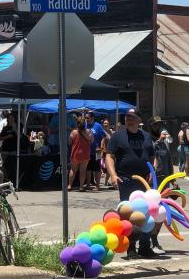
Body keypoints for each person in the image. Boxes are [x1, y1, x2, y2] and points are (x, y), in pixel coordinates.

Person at [104, 109, 158, 259]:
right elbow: (109, 156)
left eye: (132, 117)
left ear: (139, 119)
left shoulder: (147, 137)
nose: (129, 120)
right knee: (128, 215)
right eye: (127, 117)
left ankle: (145, 247)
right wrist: (113, 175)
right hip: (125, 181)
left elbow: (153, 157)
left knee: (146, 214)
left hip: (144, 182)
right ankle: (131, 248)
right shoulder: (118, 136)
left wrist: (151, 172)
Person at [67, 114, 93, 191]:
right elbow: (92, 141)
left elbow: (69, 142)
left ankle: (69, 185)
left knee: (73, 170)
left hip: (75, 153)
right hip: (85, 153)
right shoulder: (88, 131)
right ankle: (81, 186)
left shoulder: (73, 132)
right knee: (83, 171)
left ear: (77, 123)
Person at [84, 112, 105, 190]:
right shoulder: (85, 125)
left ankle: (98, 185)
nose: (86, 120)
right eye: (85, 118)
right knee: (88, 168)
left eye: (87, 118)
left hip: (97, 151)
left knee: (97, 168)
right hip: (87, 151)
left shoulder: (98, 126)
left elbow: (103, 137)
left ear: (92, 118)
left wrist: (101, 147)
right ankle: (88, 184)